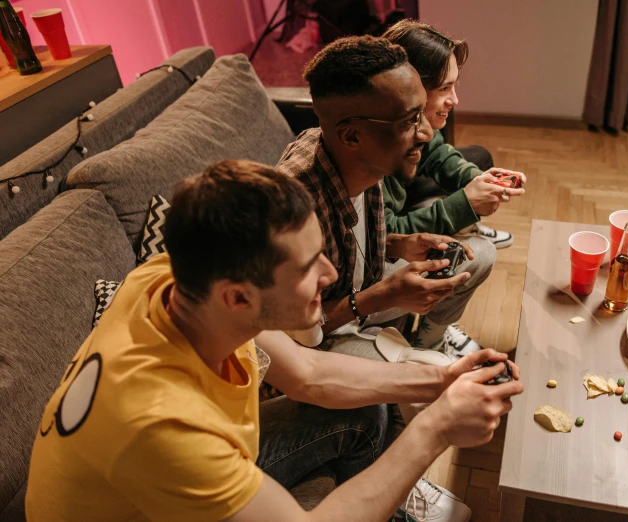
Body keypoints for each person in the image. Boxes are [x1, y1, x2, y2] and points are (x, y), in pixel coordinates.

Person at [25, 160, 524, 522]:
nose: (331, 273)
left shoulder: (175, 279)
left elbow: (310, 375)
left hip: (162, 481)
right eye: (310, 267)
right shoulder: (160, 423)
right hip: (154, 486)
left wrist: (440, 379)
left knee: (363, 411)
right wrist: (435, 429)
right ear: (239, 298)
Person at [277, 35, 492, 357]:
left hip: (367, 289)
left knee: (481, 254)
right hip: (323, 338)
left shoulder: (364, 157)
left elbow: (352, 241)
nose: (426, 133)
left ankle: (428, 343)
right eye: (409, 121)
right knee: (433, 386)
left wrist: (397, 243)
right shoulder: (290, 211)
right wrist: (384, 296)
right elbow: (293, 334)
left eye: (422, 113)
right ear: (352, 136)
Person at [382, 20, 527, 249]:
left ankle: (456, 221)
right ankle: (455, 227)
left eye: (454, 86)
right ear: (408, 88)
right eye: (443, 89)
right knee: (482, 255)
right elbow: (387, 237)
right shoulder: (376, 149)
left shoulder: (416, 125)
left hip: (406, 188)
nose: (455, 100)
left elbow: (436, 153)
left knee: (479, 158)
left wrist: (478, 181)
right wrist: (464, 205)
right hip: (392, 231)